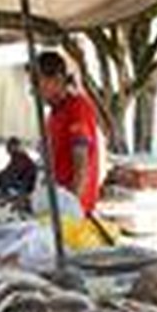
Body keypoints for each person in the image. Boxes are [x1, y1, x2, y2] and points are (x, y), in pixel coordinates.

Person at [35, 50, 101, 214]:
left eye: (38, 83)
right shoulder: (54, 115)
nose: (35, 90)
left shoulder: (77, 108)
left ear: (57, 79)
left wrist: (69, 206)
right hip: (58, 201)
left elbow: (81, 166)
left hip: (75, 209)